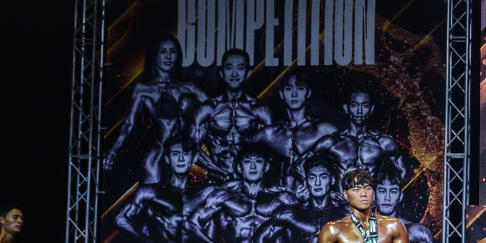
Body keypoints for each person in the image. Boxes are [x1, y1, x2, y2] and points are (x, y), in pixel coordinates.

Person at [187, 142, 295, 243]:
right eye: (247, 162)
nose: (252, 167)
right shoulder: (224, 197)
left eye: (258, 161)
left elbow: (304, 232)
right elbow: (192, 223)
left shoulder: (282, 198)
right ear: (239, 167)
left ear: (266, 167)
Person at [103, 37, 207, 184]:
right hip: (160, 152)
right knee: (152, 194)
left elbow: (216, 108)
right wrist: (113, 151)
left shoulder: (187, 87)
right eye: (163, 52)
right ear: (155, 56)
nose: (168, 57)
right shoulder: (145, 89)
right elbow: (129, 124)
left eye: (173, 52)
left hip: (182, 154)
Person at [115, 134, 209, 243]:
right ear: (167, 158)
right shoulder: (150, 192)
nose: (181, 159)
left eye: (186, 154)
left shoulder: (203, 194)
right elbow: (120, 220)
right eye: (175, 154)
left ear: (195, 157)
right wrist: (148, 242)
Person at [254, 152, 345, 243]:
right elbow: (258, 242)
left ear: (332, 180)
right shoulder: (291, 213)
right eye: (312, 178)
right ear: (306, 181)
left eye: (323, 177)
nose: (317, 183)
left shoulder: (346, 212)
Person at [189, 50, 272, 179]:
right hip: (217, 180)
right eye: (229, 68)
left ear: (248, 73)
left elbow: (272, 151)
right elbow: (191, 148)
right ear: (221, 73)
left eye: (240, 68)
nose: (234, 74)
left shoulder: (260, 110)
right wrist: (220, 172)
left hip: (250, 183)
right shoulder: (207, 109)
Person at [254, 72, 337, 197]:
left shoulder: (324, 130)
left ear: (308, 93)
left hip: (314, 199)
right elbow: (242, 158)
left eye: (300, 88)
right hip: (280, 198)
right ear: (281, 94)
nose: (294, 94)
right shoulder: (269, 133)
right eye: (289, 89)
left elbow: (345, 162)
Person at [309, 89, 408, 188]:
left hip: (370, 197)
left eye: (365, 106)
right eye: (354, 105)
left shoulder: (384, 142)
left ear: (371, 109)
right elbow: (301, 165)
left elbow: (404, 173)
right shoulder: (332, 142)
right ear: (346, 108)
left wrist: (385, 193)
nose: (359, 111)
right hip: (341, 197)